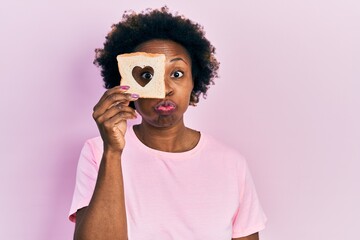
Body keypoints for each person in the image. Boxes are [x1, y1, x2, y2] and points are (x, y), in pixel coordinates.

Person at [69, 6, 267, 240]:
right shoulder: (98, 151)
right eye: (147, 75)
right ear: (125, 84)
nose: (165, 88)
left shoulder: (232, 164)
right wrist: (112, 152)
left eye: (177, 74)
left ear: (195, 81)